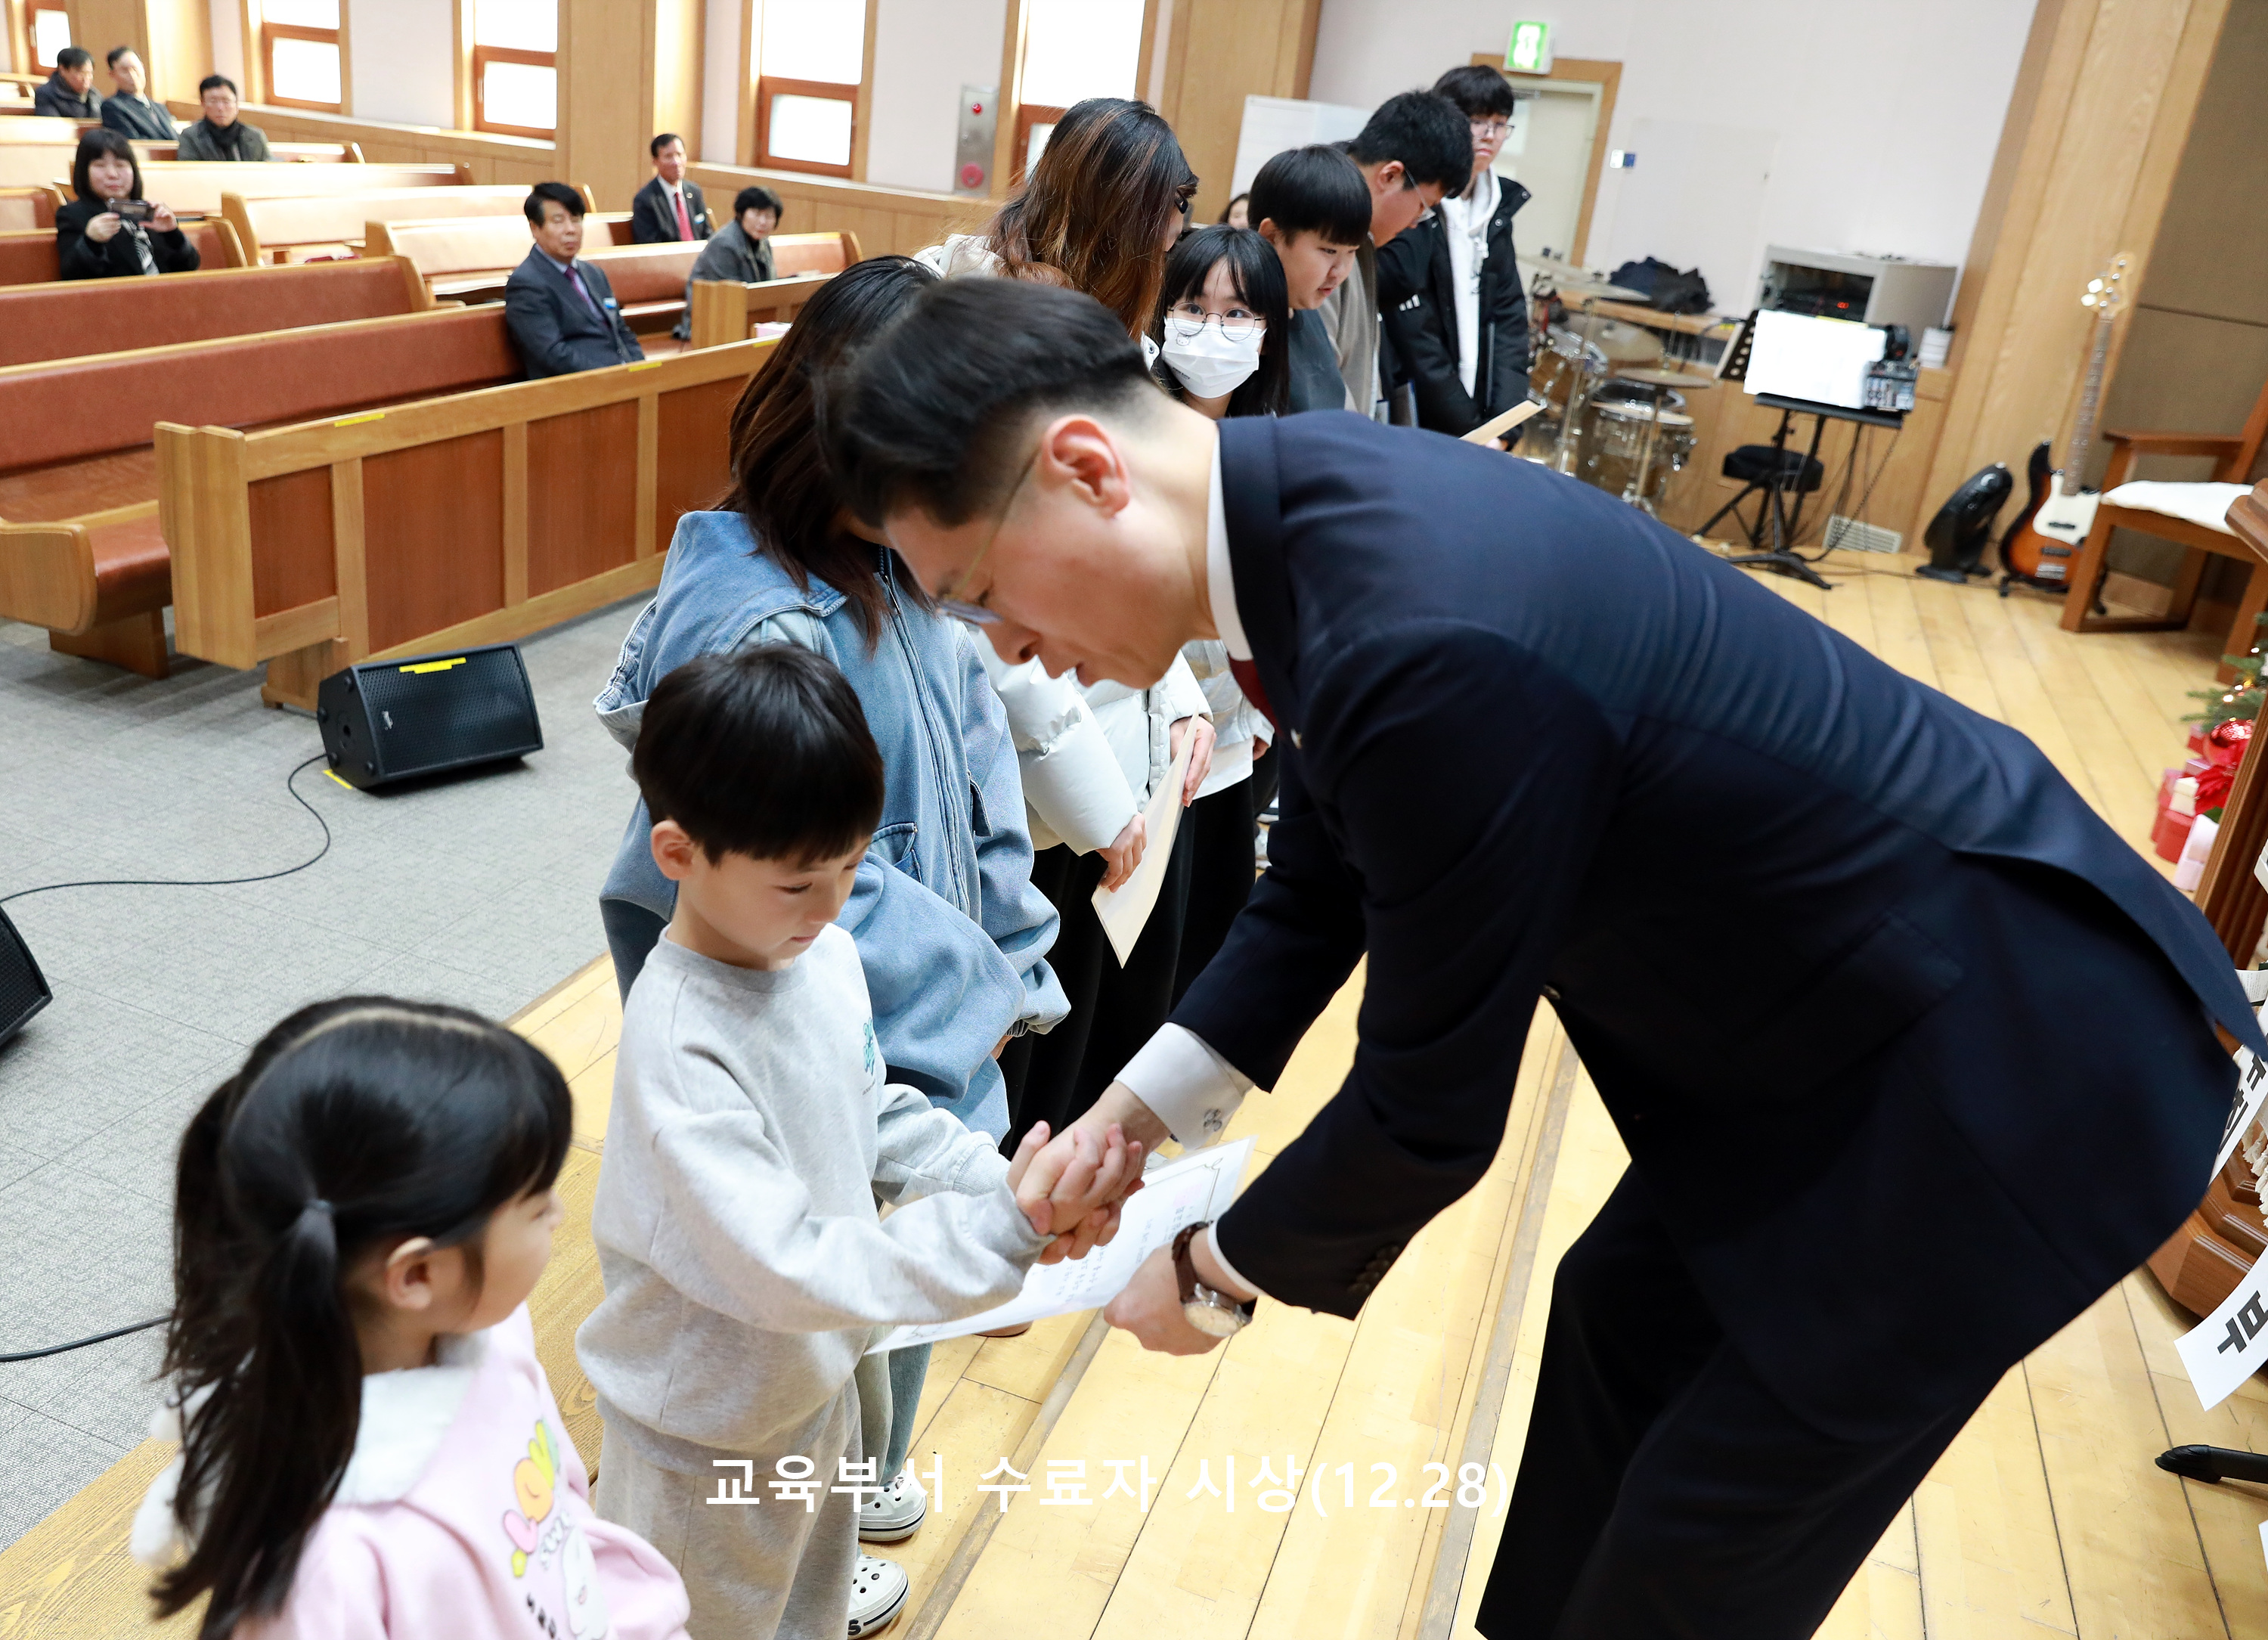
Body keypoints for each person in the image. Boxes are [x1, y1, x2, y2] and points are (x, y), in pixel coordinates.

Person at [822, 273, 2262, 1639]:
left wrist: (1209, 1269)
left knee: (1696, 1541)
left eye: (981, 590)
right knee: (1615, 1327)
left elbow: (1429, 1111)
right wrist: (1125, 1126)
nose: (1010, 648)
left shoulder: (1419, 630)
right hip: (1831, 1019)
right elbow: (1317, 890)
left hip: (2007, 1065)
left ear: (1086, 468)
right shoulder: (1304, 515)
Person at [596, 254, 1073, 1537]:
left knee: (865, 1207)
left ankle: (860, 1469)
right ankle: (843, 1481)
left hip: (896, 984)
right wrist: (970, 1014)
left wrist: (1010, 975)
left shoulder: (894, 567)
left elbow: (975, 773)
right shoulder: (764, 620)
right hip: (860, 992)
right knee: (816, 1249)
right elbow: (786, 1255)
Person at [580, 643, 1136, 1640]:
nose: (833, 905)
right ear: (677, 854)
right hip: (702, 1437)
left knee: (811, 1612)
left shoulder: (823, 956)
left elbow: (874, 1110)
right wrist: (1000, 1235)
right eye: (798, 882)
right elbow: (783, 1264)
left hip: (814, 1387)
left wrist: (1003, 1183)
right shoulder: (681, 1048)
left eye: (851, 866)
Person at [131, 998, 693, 1640]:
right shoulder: (330, 1566)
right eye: (538, 1206)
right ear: (418, 1274)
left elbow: (560, 1522)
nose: (560, 1214)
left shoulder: (490, 1333)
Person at [913, 96, 1213, 1151]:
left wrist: (1181, 695)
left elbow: (1128, 546)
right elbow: (984, 610)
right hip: (1031, 776)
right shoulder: (984, 324)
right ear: (1120, 218)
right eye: (1165, 227)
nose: (1172, 250)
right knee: (1015, 1057)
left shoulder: (1099, 327)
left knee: (1082, 1040)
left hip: (1111, 733)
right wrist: (1100, 809)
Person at [1149, 225, 1282, 997]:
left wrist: (1262, 709)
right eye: (1193, 308)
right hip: (1150, 744)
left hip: (1232, 747)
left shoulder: (1271, 445)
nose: (1212, 329)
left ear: (1268, 328)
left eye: (1237, 314)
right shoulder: (1132, 428)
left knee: (1204, 959)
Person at [1377, 66, 1533, 442]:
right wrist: (1468, 427)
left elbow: (1510, 321)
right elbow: (1415, 330)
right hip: (1415, 411)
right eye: (1477, 121)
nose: (1490, 135)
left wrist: (1503, 427)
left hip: (1476, 415)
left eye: (1501, 124)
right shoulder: (1416, 204)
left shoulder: (1498, 208)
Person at [1316, 89, 1472, 421]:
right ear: (1389, 176)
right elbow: (1317, 385)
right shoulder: (1319, 224)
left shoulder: (1360, 236)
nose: (1416, 223)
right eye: (1422, 206)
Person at [1247, 144, 1369, 415]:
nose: (1340, 272)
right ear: (1272, 237)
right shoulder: (1238, 330)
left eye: (1351, 252)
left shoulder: (1307, 311)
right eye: (1329, 251)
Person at [506, 181, 643, 379]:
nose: (570, 230)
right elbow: (553, 353)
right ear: (535, 228)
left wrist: (640, 369)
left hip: (619, 378)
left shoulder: (594, 274)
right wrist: (611, 377)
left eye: (576, 220)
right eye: (558, 221)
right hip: (576, 385)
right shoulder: (526, 283)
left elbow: (620, 331)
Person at [56, 130, 198, 281]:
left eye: (120, 165)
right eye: (100, 165)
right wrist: (91, 242)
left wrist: (173, 234)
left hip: (167, 292)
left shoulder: (149, 210)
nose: (112, 174)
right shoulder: (73, 214)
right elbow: (72, 275)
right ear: (84, 172)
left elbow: (189, 266)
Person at [670, 184, 779, 341]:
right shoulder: (724, 243)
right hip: (711, 322)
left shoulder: (764, 242)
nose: (762, 222)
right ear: (741, 213)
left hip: (747, 318)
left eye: (768, 216)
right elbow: (730, 297)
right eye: (756, 214)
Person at [631, 132, 711, 243]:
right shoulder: (645, 200)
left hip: (700, 254)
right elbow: (649, 244)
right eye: (668, 157)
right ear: (655, 162)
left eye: (680, 155)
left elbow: (707, 233)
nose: (676, 162)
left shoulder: (694, 192)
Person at [175, 74, 271, 160]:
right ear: (203, 104)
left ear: (236, 104)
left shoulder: (255, 136)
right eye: (213, 101)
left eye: (226, 101)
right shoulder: (191, 136)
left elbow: (269, 168)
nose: (220, 108)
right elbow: (189, 171)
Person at [100, 45, 176, 138]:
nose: (132, 75)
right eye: (125, 71)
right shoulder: (112, 106)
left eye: (135, 69)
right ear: (112, 75)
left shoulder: (159, 107)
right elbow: (132, 141)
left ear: (143, 68)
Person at [34, 45, 101, 118]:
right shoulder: (46, 94)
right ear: (62, 70)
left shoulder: (94, 95)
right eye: (81, 73)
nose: (86, 79)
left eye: (90, 73)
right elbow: (52, 123)